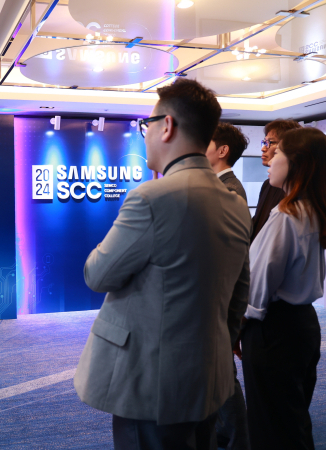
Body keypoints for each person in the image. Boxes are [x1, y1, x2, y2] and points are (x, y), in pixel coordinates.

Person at [74, 78, 251, 450]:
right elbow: (239, 291)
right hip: (210, 375)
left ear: (166, 126)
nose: (145, 135)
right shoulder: (235, 203)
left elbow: (97, 274)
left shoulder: (151, 198)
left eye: (147, 125)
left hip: (150, 382)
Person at [241, 127, 326, 450]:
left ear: (297, 163)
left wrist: (237, 326)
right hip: (300, 326)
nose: (269, 158)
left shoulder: (287, 215)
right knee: (291, 422)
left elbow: (257, 286)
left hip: (273, 332)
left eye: (278, 152)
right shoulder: (310, 209)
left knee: (271, 428)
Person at [205, 122, 251, 450]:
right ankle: (226, 433)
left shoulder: (230, 190)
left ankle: (238, 439)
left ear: (222, 151)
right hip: (219, 294)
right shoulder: (218, 186)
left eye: (206, 142)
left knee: (223, 374)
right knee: (218, 373)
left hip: (223, 295)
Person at [251, 119, 301, 242]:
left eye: (270, 143)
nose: (263, 148)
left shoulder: (296, 191)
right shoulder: (268, 184)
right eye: (264, 142)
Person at [206, 122, 248, 202]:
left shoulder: (228, 189)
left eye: (206, 144)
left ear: (223, 151)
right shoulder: (222, 184)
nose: (200, 149)